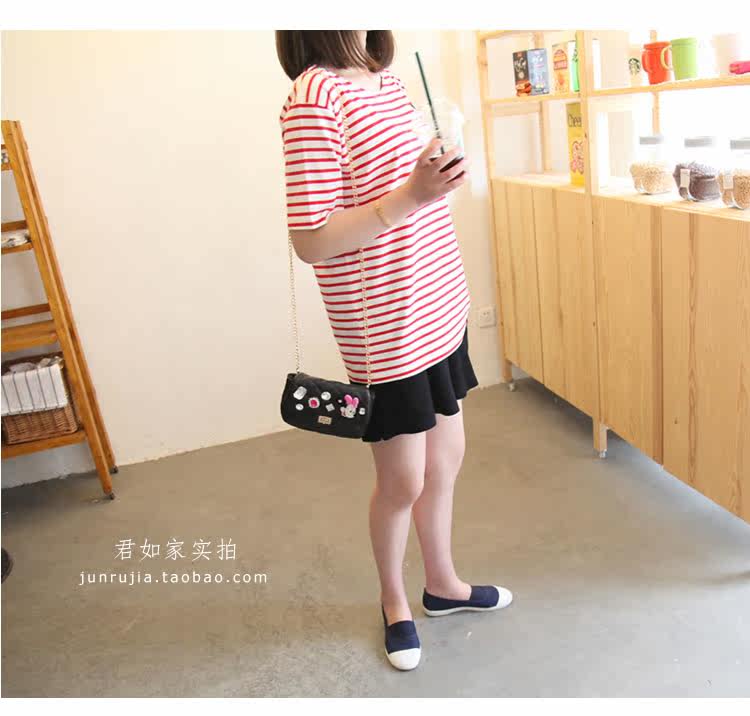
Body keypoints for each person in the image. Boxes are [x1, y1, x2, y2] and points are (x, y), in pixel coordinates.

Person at [276, 30, 512, 671]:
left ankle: (443, 585)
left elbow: (408, 187)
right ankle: (394, 601)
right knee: (403, 478)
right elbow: (312, 240)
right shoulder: (313, 97)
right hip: (385, 326)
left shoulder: (389, 81)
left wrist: (440, 175)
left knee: (447, 457)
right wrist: (412, 194)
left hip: (438, 297)